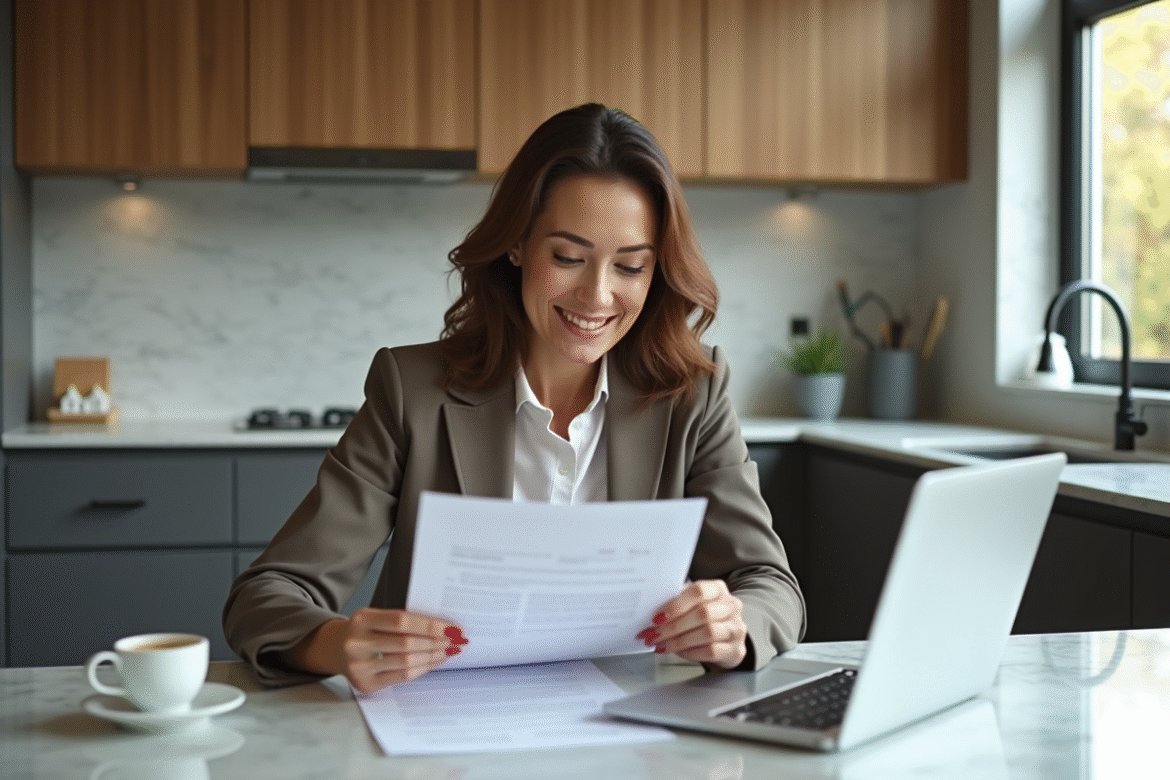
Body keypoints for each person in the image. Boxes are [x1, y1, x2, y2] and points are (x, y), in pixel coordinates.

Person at [223, 103, 806, 693]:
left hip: (632, 722)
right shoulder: (413, 390)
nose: (597, 296)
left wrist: (734, 625)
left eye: (630, 266)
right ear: (518, 244)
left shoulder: (692, 392)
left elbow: (770, 585)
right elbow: (266, 595)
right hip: (439, 723)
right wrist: (337, 643)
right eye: (568, 258)